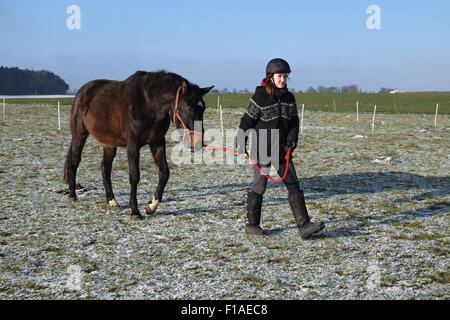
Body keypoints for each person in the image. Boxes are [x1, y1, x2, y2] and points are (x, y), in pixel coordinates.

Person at [236, 58, 324, 239]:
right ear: (270, 77)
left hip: (282, 150)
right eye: (280, 76)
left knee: (293, 185)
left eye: (285, 76)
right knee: (259, 186)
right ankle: (252, 225)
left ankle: (304, 226)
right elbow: (247, 121)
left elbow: (294, 122)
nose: (283, 79)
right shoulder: (259, 97)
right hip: (262, 148)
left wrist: (292, 139)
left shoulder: (289, 98)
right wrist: (241, 140)